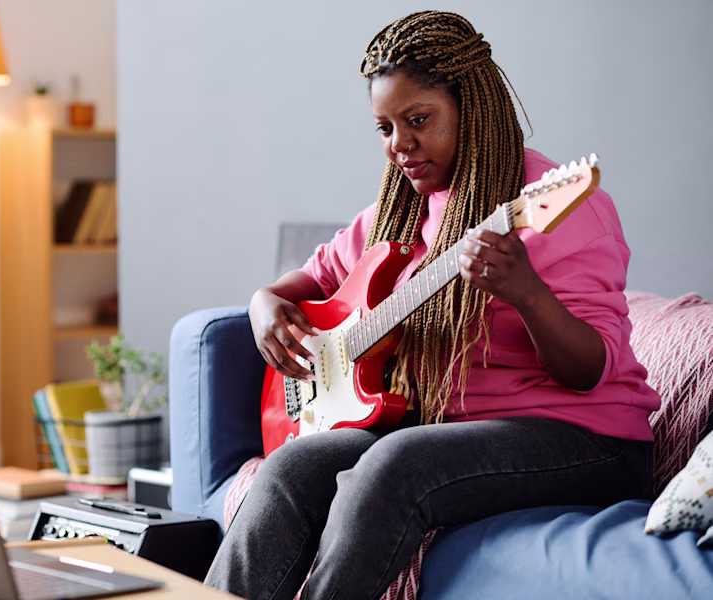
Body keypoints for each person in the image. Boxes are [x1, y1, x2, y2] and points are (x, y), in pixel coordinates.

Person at [204, 11, 660, 600]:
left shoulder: (561, 209)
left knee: (392, 466)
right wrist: (264, 304)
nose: (400, 146)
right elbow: (312, 278)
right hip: (440, 428)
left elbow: (589, 370)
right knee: (289, 473)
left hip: (586, 442)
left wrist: (527, 294)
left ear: (471, 106)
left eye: (417, 120)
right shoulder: (402, 214)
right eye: (385, 128)